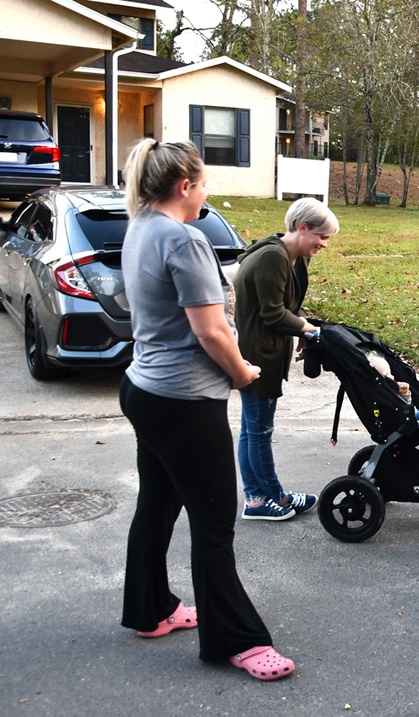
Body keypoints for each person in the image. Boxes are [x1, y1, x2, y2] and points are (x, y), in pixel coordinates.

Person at [118, 138, 294, 681]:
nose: (206, 193)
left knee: (158, 502)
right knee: (214, 524)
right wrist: (243, 373)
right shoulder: (182, 238)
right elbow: (212, 328)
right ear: (184, 186)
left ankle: (152, 611)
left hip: (145, 392)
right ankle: (237, 641)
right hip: (185, 405)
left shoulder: (140, 227)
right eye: (204, 183)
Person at [233, 198, 339, 521]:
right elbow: (273, 314)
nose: (324, 244)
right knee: (260, 430)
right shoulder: (272, 257)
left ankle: (256, 497)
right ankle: (270, 496)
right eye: (322, 237)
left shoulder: (294, 258)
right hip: (257, 355)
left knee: (251, 429)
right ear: (302, 227)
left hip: (266, 350)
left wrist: (303, 328)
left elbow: (290, 307)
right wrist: (310, 331)